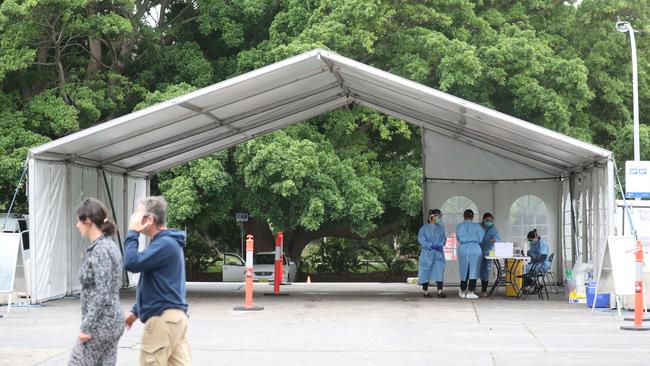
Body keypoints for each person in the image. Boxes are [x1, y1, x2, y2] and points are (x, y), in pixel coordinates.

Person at [123, 196, 191, 366]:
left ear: (150, 219)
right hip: (174, 319)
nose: (135, 219)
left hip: (163, 320)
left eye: (138, 215)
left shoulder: (165, 244)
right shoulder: (166, 243)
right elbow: (158, 284)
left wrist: (133, 232)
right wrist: (136, 311)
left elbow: (131, 263)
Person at [69, 198, 124, 366]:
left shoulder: (101, 250)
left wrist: (86, 327)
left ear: (88, 221)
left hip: (101, 324)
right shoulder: (108, 246)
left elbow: (103, 292)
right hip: (110, 322)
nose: (77, 225)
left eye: (79, 220)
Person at [417, 209, 447, 298]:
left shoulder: (441, 228)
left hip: (438, 253)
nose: (439, 218)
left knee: (439, 271)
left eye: (440, 217)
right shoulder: (424, 228)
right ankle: (425, 292)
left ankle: (440, 291)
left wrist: (440, 245)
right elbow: (422, 241)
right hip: (427, 253)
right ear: (432, 217)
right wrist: (431, 245)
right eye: (438, 216)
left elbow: (444, 239)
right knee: (426, 271)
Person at [456, 209, 484, 299]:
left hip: (463, 248)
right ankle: (471, 291)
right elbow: (481, 239)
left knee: (464, 269)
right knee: (474, 269)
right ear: (473, 217)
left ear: (464, 216)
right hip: (475, 248)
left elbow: (458, 237)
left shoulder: (459, 226)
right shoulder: (477, 226)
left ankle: (462, 290)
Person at [479, 213, 501, 297]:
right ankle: (471, 289)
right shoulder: (478, 226)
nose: (489, 222)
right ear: (483, 219)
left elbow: (498, 239)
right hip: (477, 250)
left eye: (490, 221)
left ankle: (484, 290)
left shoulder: (493, 229)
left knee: (486, 271)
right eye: (487, 220)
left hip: (488, 252)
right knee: (475, 270)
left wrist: (495, 240)